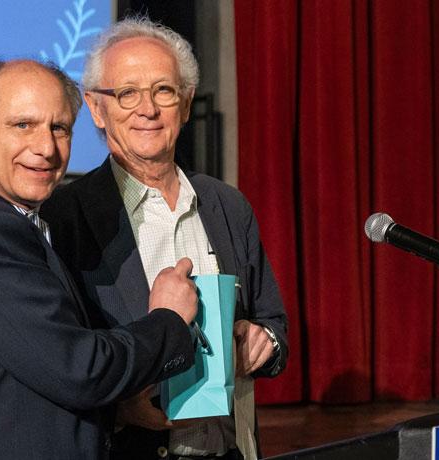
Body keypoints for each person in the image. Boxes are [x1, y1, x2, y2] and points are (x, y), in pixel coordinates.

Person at [0, 59, 201, 460]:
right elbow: (81, 369)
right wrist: (169, 320)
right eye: (23, 125)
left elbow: (28, 374)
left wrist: (115, 411)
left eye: (59, 128)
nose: (45, 147)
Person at [41, 18, 289, 460]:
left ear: (187, 103)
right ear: (96, 109)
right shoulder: (65, 218)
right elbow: (51, 360)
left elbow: (275, 325)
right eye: (127, 93)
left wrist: (262, 341)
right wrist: (117, 409)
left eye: (163, 91)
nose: (147, 109)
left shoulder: (228, 206)